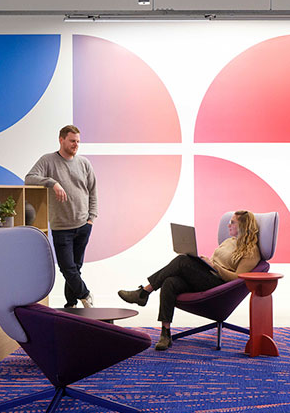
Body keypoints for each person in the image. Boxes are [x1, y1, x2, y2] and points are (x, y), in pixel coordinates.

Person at [118, 210, 262, 351]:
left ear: (243, 226)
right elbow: (216, 261)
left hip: (220, 285)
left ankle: (144, 293)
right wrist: (205, 263)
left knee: (182, 260)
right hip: (208, 276)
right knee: (170, 282)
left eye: (232, 222)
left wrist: (215, 267)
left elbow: (239, 278)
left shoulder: (251, 252)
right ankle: (165, 333)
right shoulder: (229, 241)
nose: (228, 225)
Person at [25, 125, 98, 309]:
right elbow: (29, 178)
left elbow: (93, 192)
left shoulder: (84, 163)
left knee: (75, 269)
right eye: (72, 141)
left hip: (83, 225)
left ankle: (70, 305)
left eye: (78, 142)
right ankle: (85, 295)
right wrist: (53, 182)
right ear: (61, 140)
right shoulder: (48, 160)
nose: (76, 145)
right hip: (61, 227)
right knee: (67, 268)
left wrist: (91, 219)